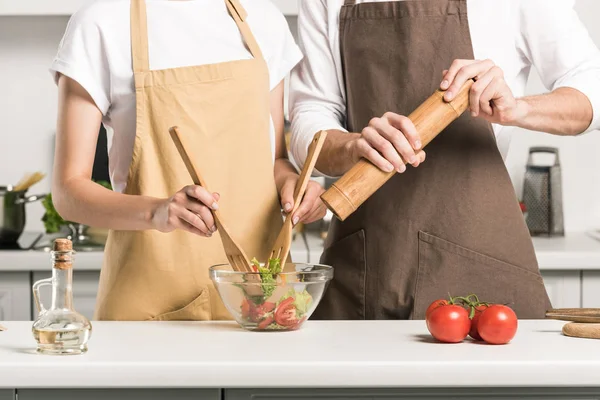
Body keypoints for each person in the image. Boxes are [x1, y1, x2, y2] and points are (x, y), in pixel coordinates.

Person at [290, 0, 600, 320]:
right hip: (368, 262)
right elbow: (310, 113)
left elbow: (593, 86)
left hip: (478, 250)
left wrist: (518, 108)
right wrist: (352, 146)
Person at [49, 0, 326, 321]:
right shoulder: (101, 23)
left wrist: (295, 184)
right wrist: (158, 212)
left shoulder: (264, 19)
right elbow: (69, 191)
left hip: (261, 301)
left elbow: (274, 160)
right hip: (153, 301)